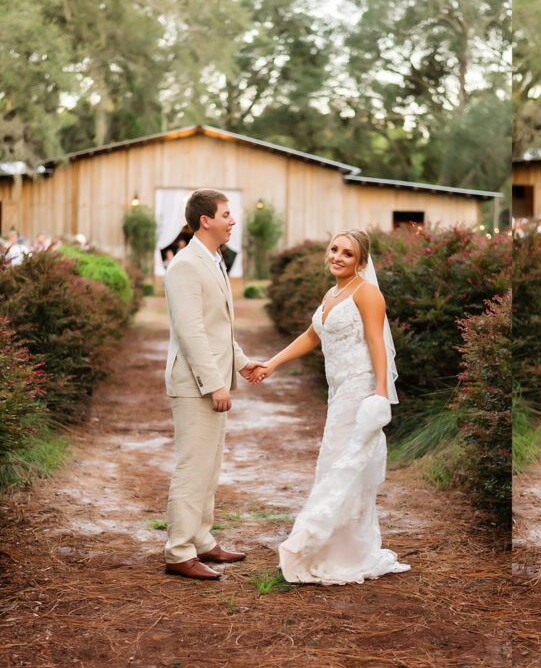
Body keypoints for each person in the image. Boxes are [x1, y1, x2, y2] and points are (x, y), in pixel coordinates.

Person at [247, 229, 410, 585]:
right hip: (337, 391)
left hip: (359, 388)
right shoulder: (333, 293)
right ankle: (331, 545)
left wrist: (380, 390)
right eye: (334, 249)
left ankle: (334, 550)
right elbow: (311, 335)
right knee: (334, 463)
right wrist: (272, 364)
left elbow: (375, 341)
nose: (337, 257)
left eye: (347, 254)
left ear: (361, 262)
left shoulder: (367, 294)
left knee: (344, 464)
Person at [162, 189, 263, 580]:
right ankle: (179, 550)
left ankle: (202, 540)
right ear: (205, 220)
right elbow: (191, 333)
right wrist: (214, 384)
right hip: (194, 384)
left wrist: (240, 362)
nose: (232, 220)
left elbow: (217, 327)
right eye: (226, 214)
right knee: (192, 467)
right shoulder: (185, 265)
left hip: (213, 379)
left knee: (210, 466)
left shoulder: (213, 260)